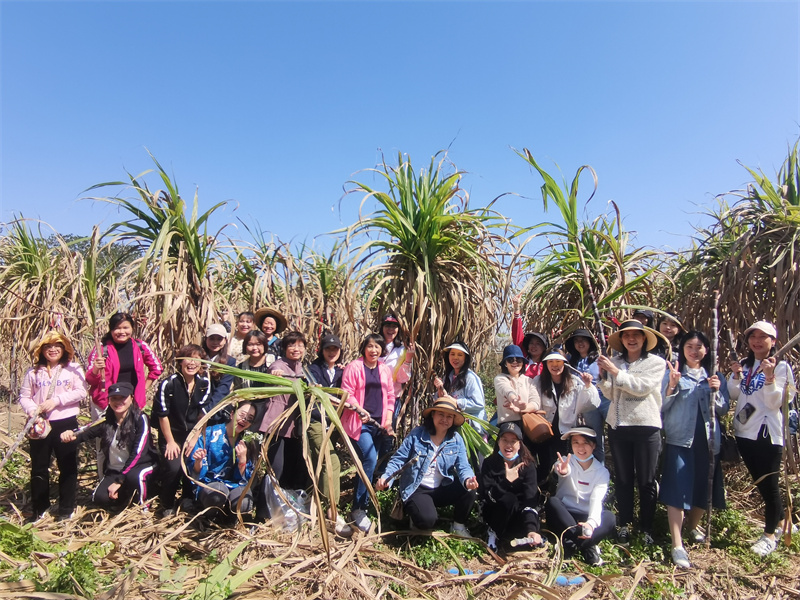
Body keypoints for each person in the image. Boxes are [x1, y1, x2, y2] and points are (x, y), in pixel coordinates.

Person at [661, 331, 729, 569]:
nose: (694, 350)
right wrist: (671, 385)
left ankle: (691, 528)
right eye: (689, 346)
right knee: (677, 489)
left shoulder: (714, 375)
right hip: (680, 439)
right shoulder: (674, 374)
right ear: (682, 350)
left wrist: (717, 390)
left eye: (699, 346)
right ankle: (677, 544)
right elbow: (662, 406)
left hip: (709, 441)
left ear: (706, 350)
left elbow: (722, 410)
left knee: (703, 485)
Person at [728, 321, 794, 557]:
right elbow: (734, 394)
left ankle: (769, 536)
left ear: (773, 341)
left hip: (766, 434)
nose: (756, 341)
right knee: (760, 483)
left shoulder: (782, 367)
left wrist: (769, 377)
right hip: (744, 432)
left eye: (762, 337)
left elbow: (776, 402)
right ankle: (782, 524)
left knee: (770, 486)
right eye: (752, 337)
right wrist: (736, 376)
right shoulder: (745, 364)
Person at [597, 319, 665, 544]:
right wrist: (603, 376)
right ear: (622, 340)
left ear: (644, 338)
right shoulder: (615, 361)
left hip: (646, 426)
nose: (631, 339)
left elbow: (641, 388)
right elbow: (610, 395)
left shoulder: (656, 363)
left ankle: (646, 527)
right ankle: (624, 523)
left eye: (636, 335)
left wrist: (615, 372)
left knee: (646, 480)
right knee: (623, 479)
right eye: (626, 336)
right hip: (619, 426)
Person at [377, 397, 478, 536]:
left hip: (441, 486)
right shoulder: (417, 434)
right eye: (441, 414)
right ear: (433, 415)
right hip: (418, 488)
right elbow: (398, 459)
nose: (445, 419)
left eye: (449, 416)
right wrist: (386, 477)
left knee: (469, 490)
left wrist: (468, 480)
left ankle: (458, 526)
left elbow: (463, 466)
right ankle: (416, 513)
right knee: (427, 521)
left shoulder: (456, 439)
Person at [19, 331, 88, 521]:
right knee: (39, 466)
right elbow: (24, 396)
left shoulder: (73, 369)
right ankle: (39, 508)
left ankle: (66, 508)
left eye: (57, 346)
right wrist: (34, 410)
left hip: (65, 421)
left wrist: (57, 401)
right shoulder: (33, 372)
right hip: (40, 423)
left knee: (67, 465)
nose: (53, 350)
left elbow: (81, 391)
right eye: (48, 347)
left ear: (64, 349)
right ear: (42, 351)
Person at [61, 382, 158, 510]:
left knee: (135, 477)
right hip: (115, 471)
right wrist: (70, 435)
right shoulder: (106, 421)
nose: (118, 402)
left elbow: (139, 453)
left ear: (131, 398)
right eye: (114, 399)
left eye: (122, 398)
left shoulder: (141, 419)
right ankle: (126, 497)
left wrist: (120, 480)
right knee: (100, 498)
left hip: (141, 466)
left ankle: (143, 506)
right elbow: (86, 431)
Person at [341, 333, 396, 533]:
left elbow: (390, 395)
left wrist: (388, 420)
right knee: (370, 459)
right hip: (359, 422)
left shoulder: (384, 369)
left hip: (379, 424)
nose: (374, 350)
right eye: (370, 346)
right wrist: (359, 410)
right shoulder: (354, 367)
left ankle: (365, 501)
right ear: (364, 347)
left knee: (373, 464)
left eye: (378, 347)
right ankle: (358, 509)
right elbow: (346, 392)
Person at [152, 344, 212, 515]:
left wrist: (194, 438)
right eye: (188, 358)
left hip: (193, 434)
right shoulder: (168, 384)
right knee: (173, 467)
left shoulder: (204, 384)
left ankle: (187, 499)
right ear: (180, 361)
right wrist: (170, 442)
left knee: (192, 465)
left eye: (196, 359)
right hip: (172, 434)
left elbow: (203, 415)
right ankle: (167, 502)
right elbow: (162, 415)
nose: (192, 363)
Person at [546, 428, 616, 566]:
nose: (580, 447)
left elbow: (596, 499)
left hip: (586, 516)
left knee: (610, 517)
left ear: (594, 445)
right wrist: (563, 472)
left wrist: (590, 524)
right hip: (564, 515)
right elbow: (559, 469)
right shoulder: (565, 461)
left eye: (585, 442)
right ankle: (588, 546)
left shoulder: (602, 472)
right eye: (576, 442)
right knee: (552, 502)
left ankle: (570, 543)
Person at [306, 332, 353, 537]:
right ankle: (332, 513)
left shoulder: (343, 372)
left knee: (322, 463)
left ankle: (317, 503)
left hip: (334, 422)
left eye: (335, 349)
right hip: (315, 420)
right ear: (321, 350)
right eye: (328, 349)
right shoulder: (311, 370)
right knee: (330, 461)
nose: (332, 352)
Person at [531, 351, 600, 476]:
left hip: (566, 432)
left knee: (566, 466)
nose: (555, 365)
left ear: (565, 364)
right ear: (546, 364)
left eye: (558, 362)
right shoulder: (538, 381)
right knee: (546, 466)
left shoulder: (574, 381)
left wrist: (588, 385)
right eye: (551, 362)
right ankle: (546, 492)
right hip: (545, 432)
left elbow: (591, 403)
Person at [257, 331, 309, 492]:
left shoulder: (304, 369)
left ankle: (283, 507)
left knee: (290, 469)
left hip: (294, 427)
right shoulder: (278, 366)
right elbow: (272, 377)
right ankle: (263, 510)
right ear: (284, 348)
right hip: (277, 425)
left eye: (300, 345)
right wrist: (275, 377)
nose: (296, 349)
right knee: (275, 469)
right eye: (291, 345)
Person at [480, 421, 542, 551]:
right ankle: (493, 533)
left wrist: (530, 529)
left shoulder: (528, 466)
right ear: (498, 442)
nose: (508, 445)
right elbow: (487, 497)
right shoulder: (489, 463)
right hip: (495, 514)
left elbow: (530, 500)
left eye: (513, 441)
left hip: (519, 516)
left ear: (519, 444)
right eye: (504, 440)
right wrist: (506, 482)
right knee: (509, 499)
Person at [188, 402, 257, 515]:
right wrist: (198, 461)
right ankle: (210, 516)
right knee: (217, 494)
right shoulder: (209, 434)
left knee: (244, 501)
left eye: (249, 418)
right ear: (232, 414)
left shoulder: (247, 442)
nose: (244, 420)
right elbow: (196, 473)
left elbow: (245, 480)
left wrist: (243, 460)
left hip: (234, 486)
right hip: (210, 484)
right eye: (242, 415)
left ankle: (230, 519)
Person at [86, 312, 163, 412]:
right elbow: (90, 380)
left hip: (132, 403)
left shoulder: (140, 346)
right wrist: (96, 369)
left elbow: (156, 368)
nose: (122, 331)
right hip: (106, 404)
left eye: (126, 327)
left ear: (132, 328)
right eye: (117, 328)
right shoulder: (101, 350)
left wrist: (143, 389)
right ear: (111, 330)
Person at [565, 328, 608, 461]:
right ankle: (598, 467)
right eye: (577, 341)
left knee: (615, 434)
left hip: (604, 398)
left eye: (583, 340)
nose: (580, 343)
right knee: (595, 437)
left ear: (590, 342)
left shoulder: (599, 358)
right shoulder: (571, 361)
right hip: (588, 402)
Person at [433, 342, 486, 432]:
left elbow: (479, 404)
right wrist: (440, 389)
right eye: (452, 354)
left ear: (466, 358)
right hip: (454, 426)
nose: (455, 358)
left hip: (472, 430)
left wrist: (456, 402)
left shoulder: (470, 377)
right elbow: (444, 400)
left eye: (460, 355)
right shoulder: (448, 376)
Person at [379, 313, 414, 405]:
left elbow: (402, 379)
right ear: (382, 327)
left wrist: (408, 360)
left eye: (394, 326)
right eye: (387, 326)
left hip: (391, 397)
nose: (391, 329)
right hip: (372, 394)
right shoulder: (374, 346)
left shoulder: (402, 350)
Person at [511, 294, 549, 378]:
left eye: (538, 343)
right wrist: (517, 308)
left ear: (544, 348)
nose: (533, 346)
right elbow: (517, 333)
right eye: (531, 343)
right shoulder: (523, 360)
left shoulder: (547, 365)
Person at [202, 324, 236, 414]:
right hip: (197, 408)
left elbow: (223, 388)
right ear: (205, 339)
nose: (215, 342)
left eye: (219, 339)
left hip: (217, 409)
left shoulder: (230, 362)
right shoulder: (199, 358)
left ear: (225, 340)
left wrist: (207, 410)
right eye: (212, 338)